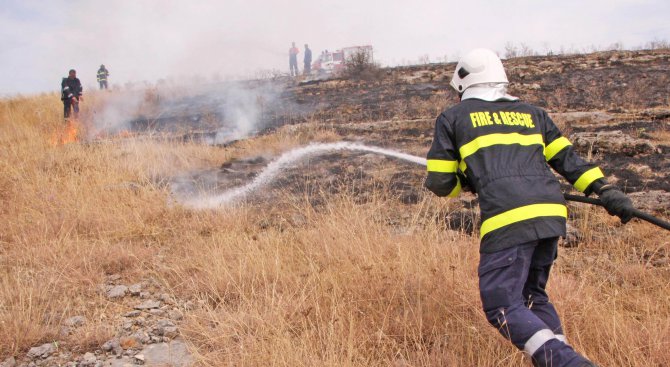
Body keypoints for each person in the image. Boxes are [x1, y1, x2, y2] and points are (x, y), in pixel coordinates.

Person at [424, 48, 634, 367]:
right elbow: (568, 161)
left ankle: (568, 363)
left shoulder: (453, 118)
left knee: (502, 304)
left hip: (508, 219)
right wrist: (605, 189)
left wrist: (465, 183)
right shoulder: (533, 114)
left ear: (465, 85)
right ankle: (559, 360)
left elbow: (440, 182)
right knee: (533, 298)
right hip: (550, 215)